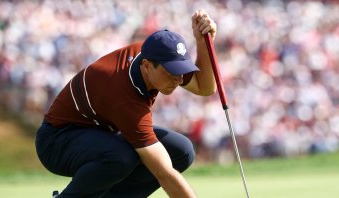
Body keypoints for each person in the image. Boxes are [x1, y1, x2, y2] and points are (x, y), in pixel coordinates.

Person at [35, 10, 217, 198]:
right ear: (146, 66)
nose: (179, 79)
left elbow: (205, 88)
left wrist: (204, 41)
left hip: (99, 133)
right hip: (57, 142)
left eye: (181, 71)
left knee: (182, 151)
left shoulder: (159, 55)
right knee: (120, 157)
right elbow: (164, 173)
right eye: (172, 73)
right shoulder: (123, 93)